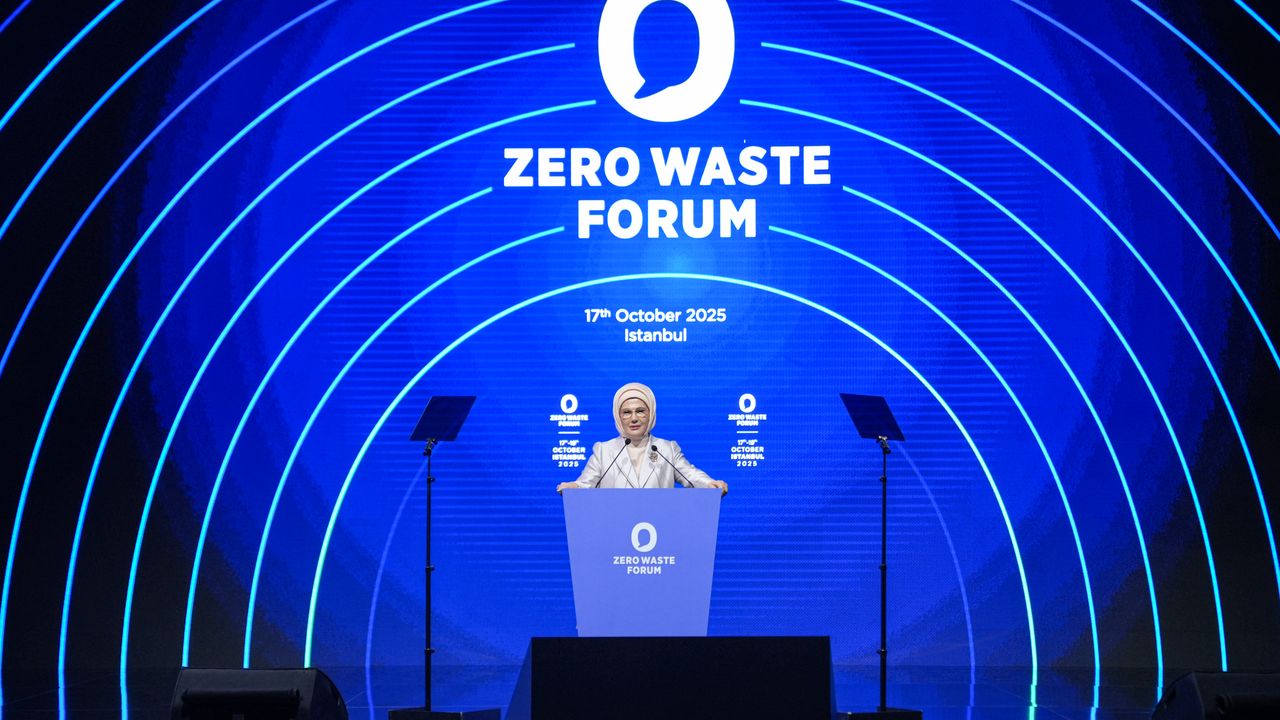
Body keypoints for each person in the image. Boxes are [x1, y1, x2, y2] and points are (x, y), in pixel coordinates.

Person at [557, 382, 728, 494]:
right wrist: (574, 487)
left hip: (659, 529)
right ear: (618, 416)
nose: (634, 418)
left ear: (651, 413)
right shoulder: (604, 450)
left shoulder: (667, 449)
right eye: (626, 412)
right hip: (614, 528)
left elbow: (690, 474)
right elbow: (585, 484)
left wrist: (709, 484)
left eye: (640, 411)